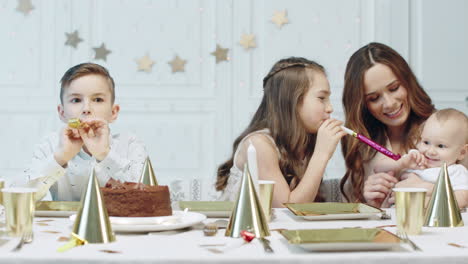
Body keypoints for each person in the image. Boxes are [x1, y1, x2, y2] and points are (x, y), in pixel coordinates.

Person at [216, 57, 346, 207]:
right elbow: (288, 210)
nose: (330, 108)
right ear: (292, 101)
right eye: (322, 98)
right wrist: (321, 155)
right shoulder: (259, 144)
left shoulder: (303, 144)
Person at [23, 63, 147, 201]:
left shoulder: (129, 144)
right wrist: (60, 158)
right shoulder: (50, 146)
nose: (86, 108)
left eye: (98, 99)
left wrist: (105, 155)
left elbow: (148, 195)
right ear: (62, 112)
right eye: (76, 100)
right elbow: (22, 197)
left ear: (113, 112)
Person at [340, 42, 437, 207]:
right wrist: (371, 203)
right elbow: (355, 215)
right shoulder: (362, 144)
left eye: (394, 88)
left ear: (407, 81)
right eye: (374, 98)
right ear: (363, 104)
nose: (389, 104)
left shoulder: (442, 128)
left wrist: (429, 190)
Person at [373, 109, 468, 207]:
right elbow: (378, 168)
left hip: (431, 219)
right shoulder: (415, 159)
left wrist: (423, 200)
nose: (430, 151)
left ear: (462, 152)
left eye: (440, 146)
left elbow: (463, 199)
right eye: (426, 142)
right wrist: (400, 163)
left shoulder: (455, 172)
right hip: (395, 216)